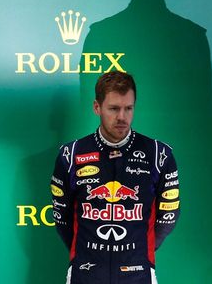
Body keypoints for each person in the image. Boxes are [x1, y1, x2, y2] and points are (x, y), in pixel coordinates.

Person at [51, 71, 179, 283]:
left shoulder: (159, 154)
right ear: (97, 107)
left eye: (128, 108)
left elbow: (168, 217)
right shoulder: (70, 155)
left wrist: (137, 251)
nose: (122, 117)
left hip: (139, 275)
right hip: (85, 274)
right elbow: (62, 219)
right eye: (114, 109)